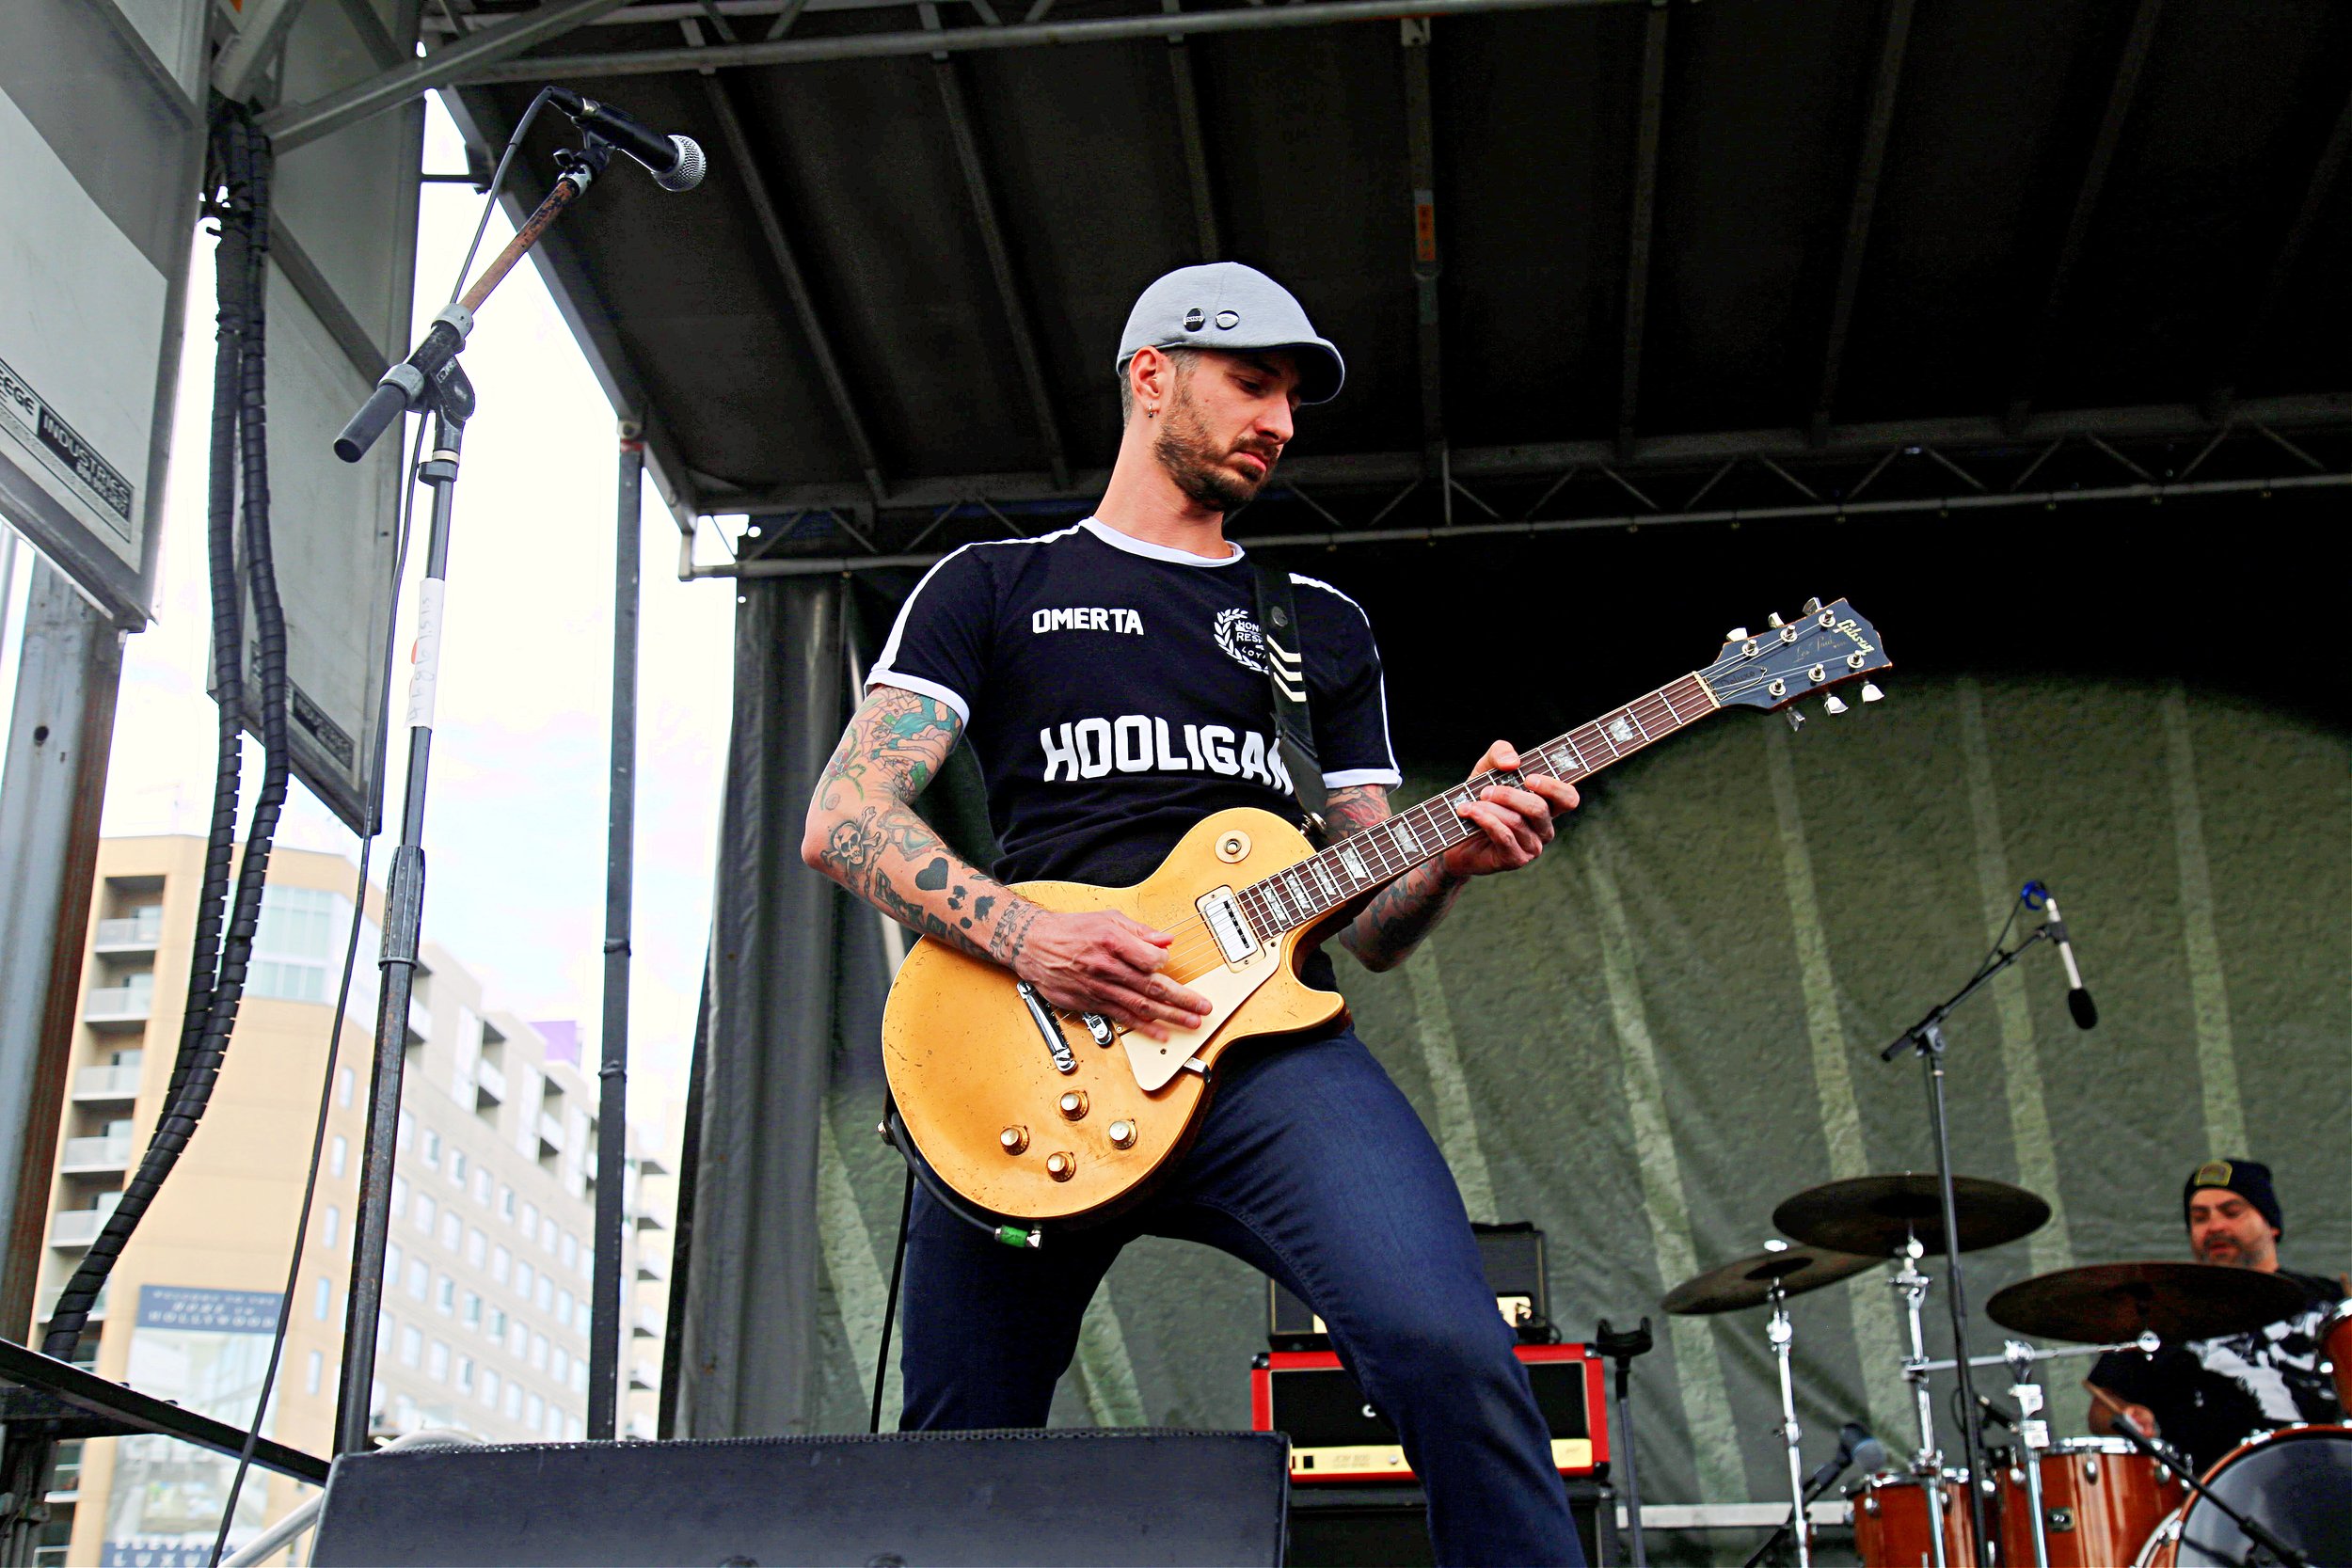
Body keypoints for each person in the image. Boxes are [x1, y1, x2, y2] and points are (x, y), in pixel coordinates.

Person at [801, 262, 1584, 1566]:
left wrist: (1449, 857)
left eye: (1293, 400)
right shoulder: (993, 583)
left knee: (1452, 1349)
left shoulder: (1316, 626)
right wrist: (1031, 938)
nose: (1279, 422)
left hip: (1269, 1059)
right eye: (1253, 382)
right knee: (957, 1453)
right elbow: (845, 816)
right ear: (1152, 374)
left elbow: (1373, 922)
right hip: (1027, 1043)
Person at [2082, 1158, 2346, 1475]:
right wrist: (2127, 1416)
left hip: (2336, 1472)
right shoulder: (2159, 1314)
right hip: (2212, 1488)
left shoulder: (2327, 1299)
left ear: (2271, 1224)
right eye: (2200, 1217)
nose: (2215, 1226)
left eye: (2232, 1213)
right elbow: (2103, 1408)